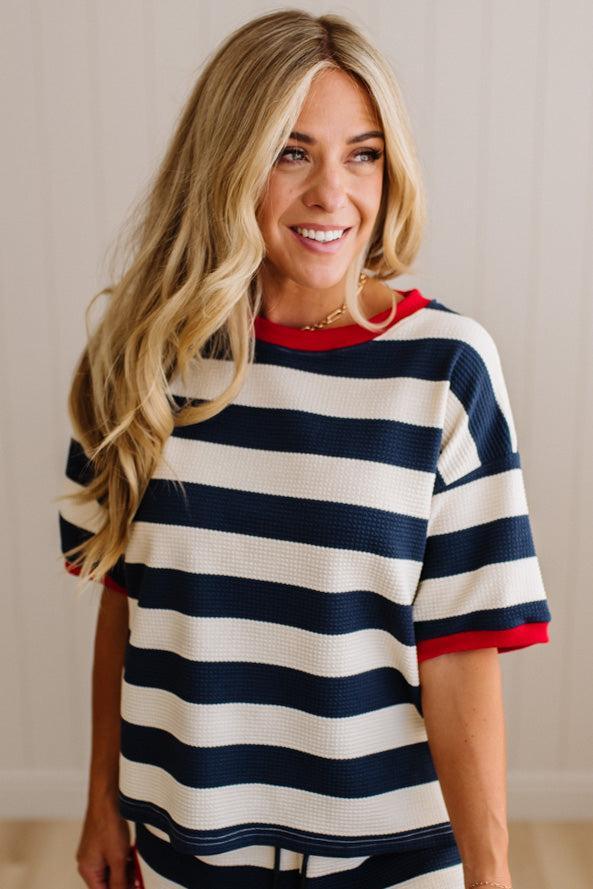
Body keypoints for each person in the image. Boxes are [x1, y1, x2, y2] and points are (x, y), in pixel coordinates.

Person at [57, 9, 552, 889]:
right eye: (292, 152)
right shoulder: (138, 360)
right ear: (228, 162)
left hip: (394, 859)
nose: (333, 193)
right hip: (187, 847)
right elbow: (126, 604)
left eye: (362, 154)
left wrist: (492, 874)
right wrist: (102, 798)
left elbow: (461, 645)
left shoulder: (445, 367)